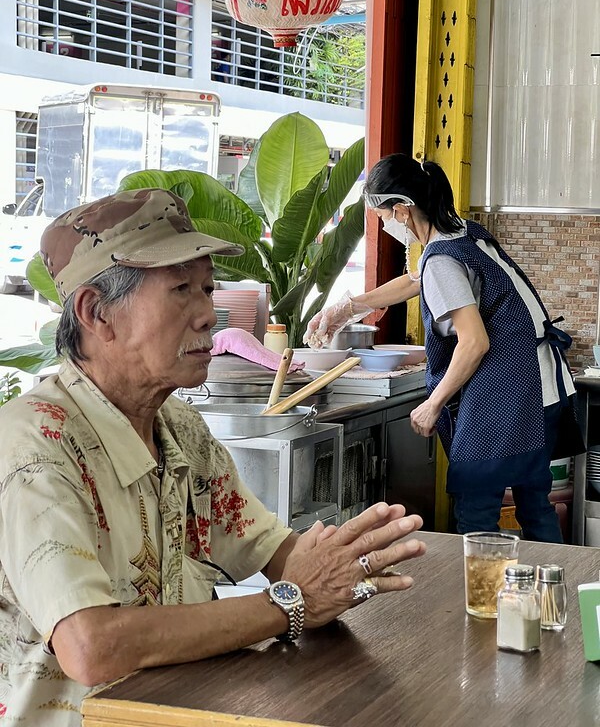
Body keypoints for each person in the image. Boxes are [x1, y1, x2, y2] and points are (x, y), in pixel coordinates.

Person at [0, 188, 426, 726]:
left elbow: (277, 555)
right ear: (96, 313)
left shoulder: (179, 428)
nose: (209, 314)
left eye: (207, 288)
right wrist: (292, 603)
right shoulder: (36, 446)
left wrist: (334, 563)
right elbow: (92, 647)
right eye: (181, 290)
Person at [305, 154, 583, 542]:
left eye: (383, 216)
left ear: (402, 211)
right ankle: (554, 596)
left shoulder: (442, 261)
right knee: (535, 503)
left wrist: (433, 403)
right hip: (541, 387)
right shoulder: (463, 234)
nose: (383, 225)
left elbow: (474, 342)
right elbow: (413, 282)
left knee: (476, 514)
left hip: (508, 394)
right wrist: (347, 307)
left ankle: (484, 600)